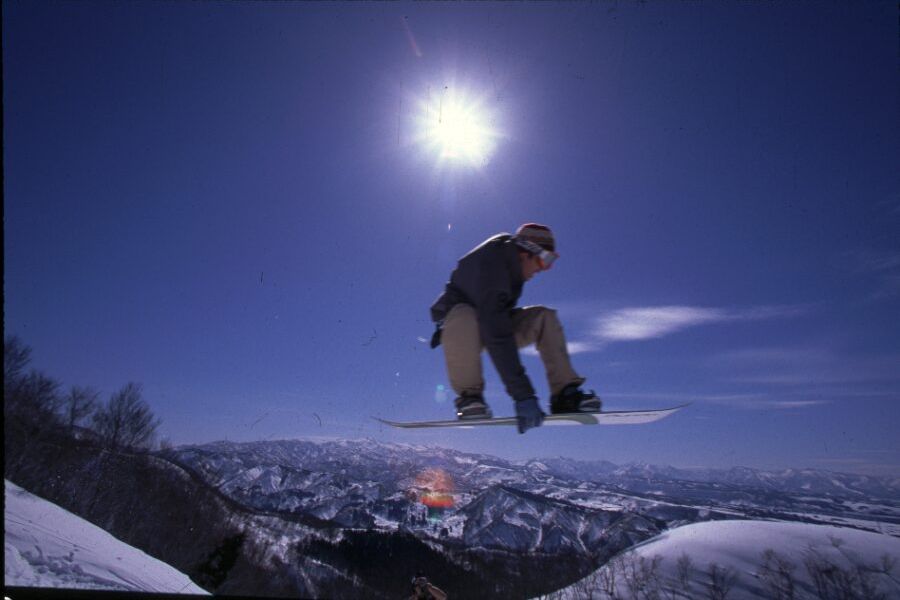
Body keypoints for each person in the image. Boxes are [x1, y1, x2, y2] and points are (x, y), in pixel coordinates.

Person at [430, 223, 600, 434]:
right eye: (544, 260)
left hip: (488, 321)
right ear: (526, 252)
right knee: (465, 316)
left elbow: (498, 325)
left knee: (544, 317)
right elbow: (497, 335)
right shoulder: (494, 264)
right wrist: (523, 395)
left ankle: (565, 395)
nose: (543, 269)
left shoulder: (513, 270)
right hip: (460, 328)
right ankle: (470, 398)